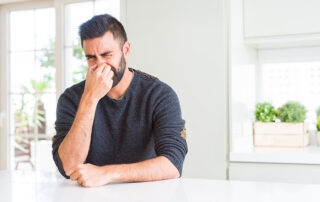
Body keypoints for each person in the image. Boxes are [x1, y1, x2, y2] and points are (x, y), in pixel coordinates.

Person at [52, 14, 188, 188]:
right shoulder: (71, 99)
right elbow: (68, 167)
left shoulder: (159, 94)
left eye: (107, 55)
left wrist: (107, 173)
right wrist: (90, 98)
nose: (100, 65)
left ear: (126, 50)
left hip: (149, 194)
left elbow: (173, 163)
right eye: (91, 58)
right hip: (90, 196)